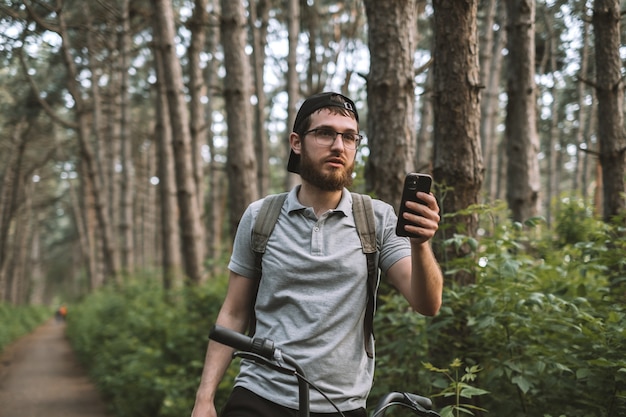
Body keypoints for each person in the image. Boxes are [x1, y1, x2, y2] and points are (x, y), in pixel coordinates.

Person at [191, 92, 443, 417]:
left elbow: (428, 304)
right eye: (325, 133)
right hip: (259, 396)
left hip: (342, 405)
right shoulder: (260, 217)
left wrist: (420, 244)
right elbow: (233, 312)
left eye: (349, 137)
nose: (339, 146)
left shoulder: (376, 219)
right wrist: (204, 398)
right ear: (297, 142)